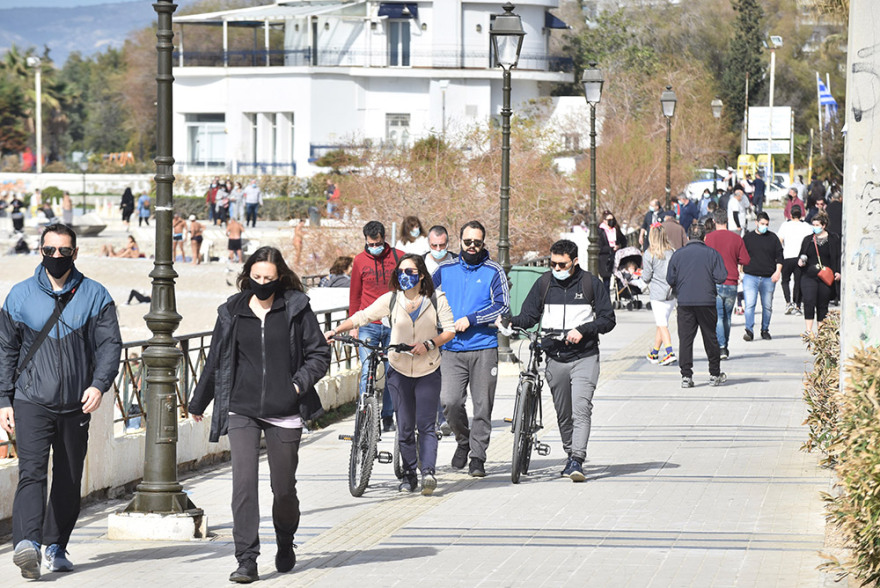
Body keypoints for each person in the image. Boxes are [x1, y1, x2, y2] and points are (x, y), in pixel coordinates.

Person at [189, 246, 330, 583]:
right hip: (243, 409)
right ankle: (246, 560)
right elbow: (216, 360)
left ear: (279, 277)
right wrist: (198, 402)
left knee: (283, 490)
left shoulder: (295, 308)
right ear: (247, 274)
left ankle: (285, 539)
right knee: (244, 486)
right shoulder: (232, 311)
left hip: (285, 410)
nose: (262, 283)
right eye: (256, 277)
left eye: (268, 278)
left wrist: (296, 387)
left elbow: (319, 354)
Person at [0, 223, 122, 579]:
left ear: (75, 253)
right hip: (30, 400)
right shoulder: (19, 296)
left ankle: (56, 545)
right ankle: (28, 545)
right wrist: (4, 400)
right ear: (40, 251)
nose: (56, 256)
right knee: (31, 473)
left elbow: (110, 346)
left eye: (63, 251)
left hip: (76, 402)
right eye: (50, 250)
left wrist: (99, 385)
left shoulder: (95, 295)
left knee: (68, 477)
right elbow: (5, 350)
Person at [326, 254, 455, 493]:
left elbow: (449, 331)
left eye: (410, 272)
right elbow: (362, 316)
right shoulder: (392, 299)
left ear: (422, 275)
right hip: (398, 369)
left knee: (426, 425)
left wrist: (429, 344)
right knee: (404, 427)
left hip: (428, 369)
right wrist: (335, 330)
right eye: (401, 272)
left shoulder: (437, 299)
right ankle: (409, 475)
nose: (405, 277)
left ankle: (428, 473)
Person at [500, 240, 614, 481]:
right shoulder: (544, 283)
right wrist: (511, 322)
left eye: (561, 264)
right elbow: (529, 316)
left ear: (574, 262)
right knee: (564, 412)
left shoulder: (590, 283)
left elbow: (608, 319)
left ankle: (577, 460)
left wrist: (584, 329)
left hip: (584, 356)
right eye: (552, 263)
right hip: (554, 356)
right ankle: (570, 451)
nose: (556, 268)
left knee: (581, 408)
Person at [432, 220, 510, 478]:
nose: (472, 246)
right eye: (468, 242)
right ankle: (463, 441)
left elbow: (502, 306)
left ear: (483, 243)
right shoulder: (445, 269)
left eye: (477, 242)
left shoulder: (494, 271)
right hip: (451, 348)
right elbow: (424, 298)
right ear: (460, 241)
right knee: (449, 402)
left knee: (482, 406)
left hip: (484, 347)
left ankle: (478, 457)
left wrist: (473, 318)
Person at [349, 221, 404, 432]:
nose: (375, 247)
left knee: (393, 371)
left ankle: (387, 415)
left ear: (384, 239)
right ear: (365, 240)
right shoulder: (360, 261)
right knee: (367, 370)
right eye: (371, 244)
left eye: (379, 243)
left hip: (394, 324)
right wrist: (353, 325)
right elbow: (354, 295)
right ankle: (364, 414)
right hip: (368, 324)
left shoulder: (398, 257)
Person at [666, 223, 728, 388]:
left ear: (688, 237)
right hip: (706, 301)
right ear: (704, 237)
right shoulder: (712, 254)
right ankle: (714, 374)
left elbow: (670, 279)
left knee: (685, 339)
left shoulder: (678, 255)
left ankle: (686, 376)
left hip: (685, 301)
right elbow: (721, 276)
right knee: (710, 337)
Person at [705, 209, 750, 360]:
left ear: (714, 221)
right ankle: (725, 345)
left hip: (714, 282)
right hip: (731, 282)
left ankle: (722, 347)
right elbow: (745, 260)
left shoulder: (708, 238)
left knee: (718, 316)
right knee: (727, 317)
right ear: (727, 221)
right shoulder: (736, 238)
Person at [741, 212, 784, 341]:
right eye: (762, 224)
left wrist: (778, 272)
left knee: (767, 306)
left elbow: (780, 257)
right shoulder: (748, 238)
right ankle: (749, 330)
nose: (764, 226)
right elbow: (741, 256)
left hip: (768, 278)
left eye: (766, 224)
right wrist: (740, 272)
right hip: (750, 276)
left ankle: (765, 329)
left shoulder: (773, 238)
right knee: (749, 305)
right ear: (757, 223)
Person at [798, 212, 841, 334]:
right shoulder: (808, 240)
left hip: (826, 276)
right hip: (809, 275)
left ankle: (821, 332)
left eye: (817, 224)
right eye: (813, 224)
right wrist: (800, 262)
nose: (814, 227)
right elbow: (801, 255)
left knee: (822, 304)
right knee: (809, 300)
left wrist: (838, 272)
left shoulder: (833, 239)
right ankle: (808, 330)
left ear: (824, 225)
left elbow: (838, 257)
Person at [642, 225, 677, 366]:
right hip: (671, 293)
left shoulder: (649, 253)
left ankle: (669, 352)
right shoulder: (672, 252)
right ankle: (654, 353)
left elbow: (646, 277)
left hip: (657, 293)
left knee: (662, 325)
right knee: (661, 323)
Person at [777, 205, 814, 316]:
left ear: (791, 214)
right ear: (802, 214)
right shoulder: (807, 226)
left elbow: (780, 240)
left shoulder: (785, 225)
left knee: (785, 281)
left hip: (787, 256)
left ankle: (788, 302)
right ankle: (797, 305)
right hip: (800, 257)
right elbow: (810, 241)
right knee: (798, 282)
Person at [598, 210, 626, 291]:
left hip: (616, 256)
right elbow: (599, 246)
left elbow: (623, 240)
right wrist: (611, 248)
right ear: (604, 221)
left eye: (612, 219)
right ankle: (607, 299)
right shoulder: (600, 231)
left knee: (619, 277)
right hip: (605, 258)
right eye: (609, 220)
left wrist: (619, 247)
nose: (611, 221)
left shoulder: (616, 229)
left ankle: (620, 296)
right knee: (606, 281)